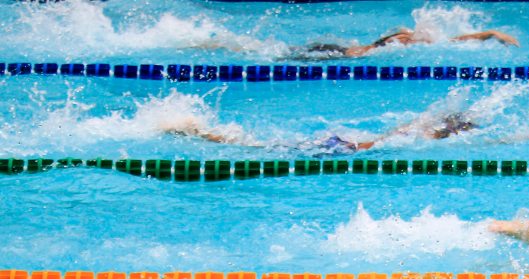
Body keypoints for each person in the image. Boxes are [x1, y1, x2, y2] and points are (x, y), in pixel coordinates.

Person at [161, 110, 478, 154]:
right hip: (341, 149)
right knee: (257, 148)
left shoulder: (417, 130)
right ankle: (196, 132)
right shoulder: (422, 137)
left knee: (259, 145)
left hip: (341, 143)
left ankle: (197, 131)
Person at [289, 27, 519, 60]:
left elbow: (451, 41)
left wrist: (490, 33)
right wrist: (489, 33)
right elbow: (452, 41)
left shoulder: (406, 38)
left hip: (338, 52)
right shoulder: (403, 40)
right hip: (335, 56)